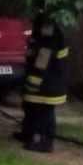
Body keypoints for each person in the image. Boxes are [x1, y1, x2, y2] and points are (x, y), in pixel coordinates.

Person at [14, 14, 69, 153]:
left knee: (45, 108)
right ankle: (28, 134)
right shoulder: (43, 20)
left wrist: (36, 77)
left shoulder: (48, 23)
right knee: (30, 104)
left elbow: (45, 51)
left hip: (49, 76)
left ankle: (46, 142)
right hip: (43, 72)